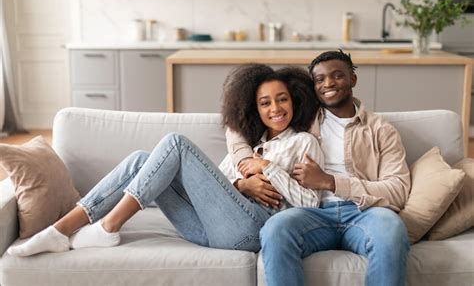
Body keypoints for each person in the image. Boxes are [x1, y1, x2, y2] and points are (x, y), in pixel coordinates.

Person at [8, 64, 324, 257]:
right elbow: (222, 184)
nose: (275, 108)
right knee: (140, 160)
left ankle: (108, 225)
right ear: (254, 109)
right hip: (206, 230)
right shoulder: (251, 146)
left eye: (282, 99)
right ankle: (59, 232)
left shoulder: (303, 142)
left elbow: (312, 204)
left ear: (294, 100)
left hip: (252, 230)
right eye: (264, 102)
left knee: (176, 143)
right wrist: (243, 183)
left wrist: (268, 168)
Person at [226, 50, 411, 286]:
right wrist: (246, 166)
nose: (328, 84)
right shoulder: (303, 117)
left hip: (364, 213)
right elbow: (236, 126)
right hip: (312, 213)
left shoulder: (380, 130)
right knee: (276, 229)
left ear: (353, 79)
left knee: (392, 229)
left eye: (337, 75)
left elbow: (398, 191)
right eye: (320, 79)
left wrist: (330, 182)